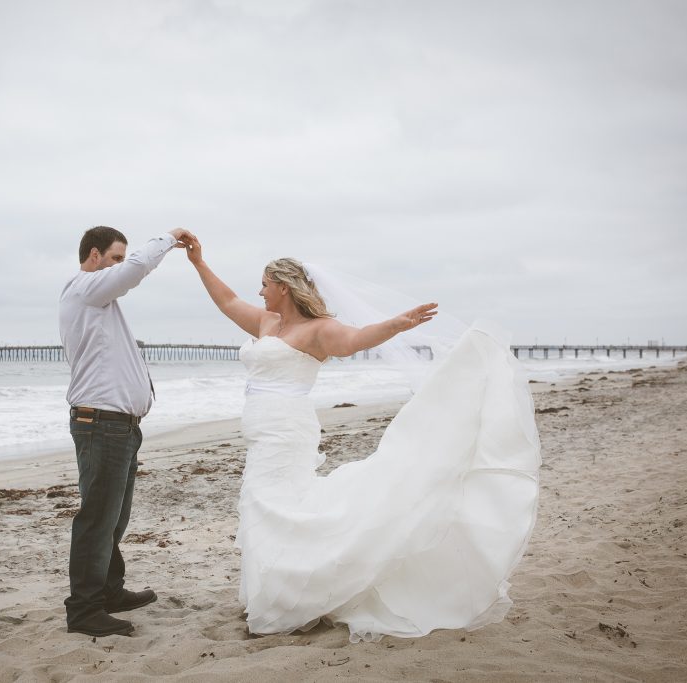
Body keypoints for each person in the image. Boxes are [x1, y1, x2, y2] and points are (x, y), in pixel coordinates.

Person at [182, 235, 541, 642]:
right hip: (262, 433)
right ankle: (276, 592)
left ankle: (290, 596)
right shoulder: (268, 323)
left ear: (283, 287)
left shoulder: (320, 330)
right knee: (264, 504)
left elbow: (357, 340)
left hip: (287, 431)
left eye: (264, 283)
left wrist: (396, 324)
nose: (259, 291)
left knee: (276, 504)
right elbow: (228, 302)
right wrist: (199, 263)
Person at [59, 225, 194, 637]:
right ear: (95, 256)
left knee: (114, 519)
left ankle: (109, 591)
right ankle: (83, 611)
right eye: (115, 258)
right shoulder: (86, 287)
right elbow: (135, 269)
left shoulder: (98, 301)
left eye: (121, 258)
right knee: (97, 519)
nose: (120, 265)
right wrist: (169, 238)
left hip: (118, 426)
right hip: (101, 424)